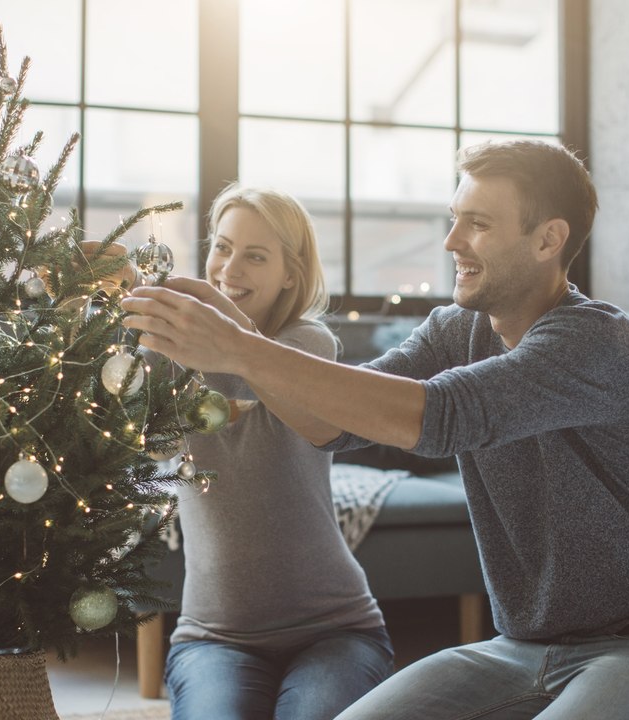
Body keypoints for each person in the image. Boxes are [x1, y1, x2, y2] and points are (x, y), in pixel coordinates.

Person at [121, 139, 629, 719]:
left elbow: (437, 418)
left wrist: (241, 351)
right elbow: (331, 426)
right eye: (455, 218)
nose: (452, 240)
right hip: (519, 648)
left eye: (478, 223)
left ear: (548, 239)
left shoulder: (595, 341)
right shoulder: (456, 329)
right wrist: (224, 337)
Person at [157, 183, 394, 720]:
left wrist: (172, 292)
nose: (229, 268)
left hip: (337, 631)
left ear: (291, 273)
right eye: (222, 247)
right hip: (211, 637)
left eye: (255, 256)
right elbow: (138, 427)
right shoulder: (174, 349)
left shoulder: (308, 345)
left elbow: (234, 374)